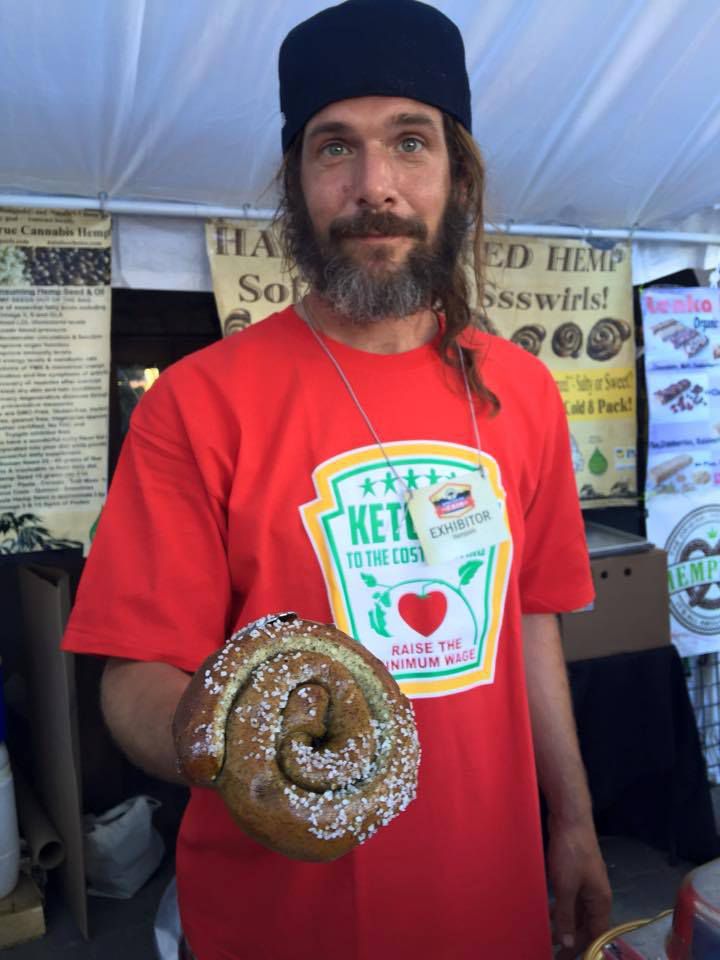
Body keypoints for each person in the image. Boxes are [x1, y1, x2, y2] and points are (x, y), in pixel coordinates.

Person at [62, 1, 612, 957]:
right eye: (334, 149)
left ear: (458, 173)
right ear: (295, 179)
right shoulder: (199, 403)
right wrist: (229, 732)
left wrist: (572, 822)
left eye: (410, 142)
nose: (375, 187)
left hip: (491, 902)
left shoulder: (521, 392)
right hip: (281, 924)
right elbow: (132, 676)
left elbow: (530, 617)